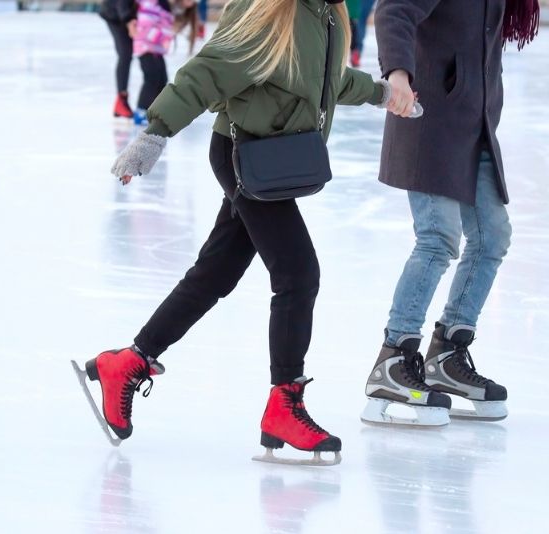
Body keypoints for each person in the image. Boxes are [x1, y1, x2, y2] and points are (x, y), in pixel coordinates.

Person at [78, 0, 392, 464]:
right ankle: (283, 406)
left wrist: (381, 94)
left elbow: (327, 81)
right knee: (298, 274)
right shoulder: (275, 9)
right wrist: (155, 133)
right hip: (248, 155)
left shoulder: (325, 15)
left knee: (215, 274)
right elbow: (210, 69)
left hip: (272, 157)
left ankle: (126, 363)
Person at [361, 0, 539, 427]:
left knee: (492, 236)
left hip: (473, 124)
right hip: (428, 118)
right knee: (438, 238)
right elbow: (394, 12)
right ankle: (395, 357)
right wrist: (398, 74)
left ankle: (447, 352)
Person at [99, 0, 138, 119]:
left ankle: (121, 101)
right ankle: (121, 100)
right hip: (115, 14)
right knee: (125, 54)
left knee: (127, 54)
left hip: (125, 12)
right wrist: (128, 20)